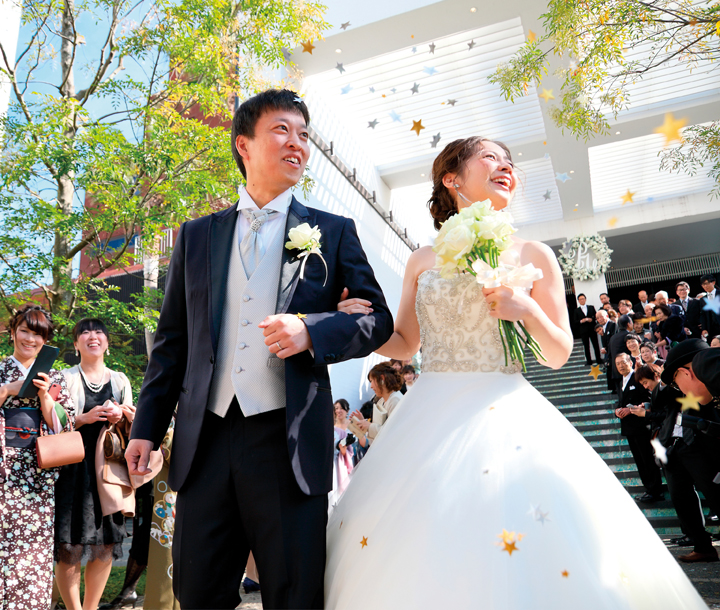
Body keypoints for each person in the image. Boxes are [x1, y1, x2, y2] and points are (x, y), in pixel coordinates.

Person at [325, 136, 707, 608]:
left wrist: (526, 308)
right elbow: (405, 343)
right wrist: (355, 322)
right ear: (452, 178)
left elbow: (558, 352)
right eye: (490, 157)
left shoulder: (534, 254)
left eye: (509, 161)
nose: (506, 166)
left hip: (505, 407)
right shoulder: (422, 260)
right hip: (429, 412)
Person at [125, 88, 393, 610]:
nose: (298, 145)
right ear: (244, 145)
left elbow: (377, 319)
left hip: (287, 439)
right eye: (282, 131)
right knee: (197, 591)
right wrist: (147, 430)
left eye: (304, 135)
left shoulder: (334, 232)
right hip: (205, 441)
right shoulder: (196, 236)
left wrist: (312, 331)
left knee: (294, 593)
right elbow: (173, 343)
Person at [54, 319, 140, 610]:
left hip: (109, 471)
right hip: (71, 470)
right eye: (85, 332)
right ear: (76, 343)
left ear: (107, 341)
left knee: (106, 544)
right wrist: (83, 418)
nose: (93, 337)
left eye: (99, 332)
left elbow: (132, 427)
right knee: (70, 545)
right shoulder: (62, 377)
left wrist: (122, 415)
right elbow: (52, 422)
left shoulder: (120, 379)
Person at [0, 305, 75, 609]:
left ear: (46, 340)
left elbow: (65, 425)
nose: (30, 339)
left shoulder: (54, 376)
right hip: (3, 471)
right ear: (13, 332)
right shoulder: (3, 369)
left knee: (32, 555)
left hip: (37, 475)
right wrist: (9, 389)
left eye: (38, 334)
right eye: (25, 331)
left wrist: (45, 399)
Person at [657, 340, 720, 562]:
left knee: (715, 493)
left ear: (687, 372)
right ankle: (702, 546)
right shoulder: (674, 394)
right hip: (675, 448)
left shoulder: (711, 392)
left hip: (701, 445)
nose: (678, 388)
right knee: (681, 498)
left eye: (676, 381)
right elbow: (658, 401)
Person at [613, 353, 662, 503]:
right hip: (629, 428)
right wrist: (617, 411)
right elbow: (620, 401)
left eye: (623, 362)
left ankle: (655, 490)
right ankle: (649, 488)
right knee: (640, 461)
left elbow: (648, 399)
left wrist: (632, 409)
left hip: (641, 426)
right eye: (618, 364)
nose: (621, 366)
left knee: (647, 459)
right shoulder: (620, 381)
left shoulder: (638, 377)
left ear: (630, 361)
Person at [348, 363, 404, 445]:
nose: (371, 386)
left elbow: (393, 432)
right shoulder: (381, 401)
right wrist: (363, 422)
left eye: (371, 381)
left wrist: (369, 426)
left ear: (382, 378)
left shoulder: (395, 400)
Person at [574, 294, 601, 365]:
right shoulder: (576, 310)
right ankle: (589, 361)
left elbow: (596, 317)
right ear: (578, 301)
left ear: (585, 299)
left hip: (592, 329)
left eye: (583, 299)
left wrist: (591, 319)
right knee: (586, 346)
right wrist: (581, 321)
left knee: (596, 344)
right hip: (583, 330)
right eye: (580, 299)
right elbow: (575, 321)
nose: (582, 300)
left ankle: (599, 359)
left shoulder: (591, 307)